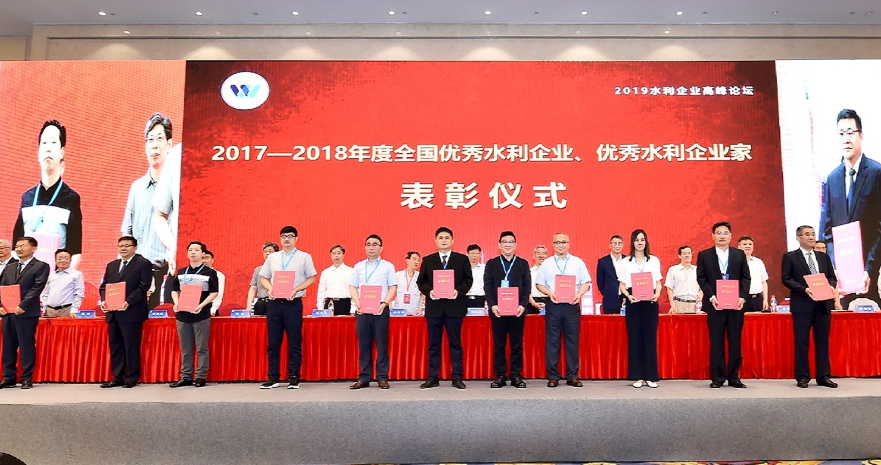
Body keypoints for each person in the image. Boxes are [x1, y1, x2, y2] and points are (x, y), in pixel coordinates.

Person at [819, 109, 881, 301]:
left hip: (869, 275)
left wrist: (870, 268)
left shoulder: (876, 173)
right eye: (841, 134)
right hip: (841, 278)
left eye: (851, 133)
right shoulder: (832, 178)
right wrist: (834, 266)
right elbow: (826, 231)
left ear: (861, 135)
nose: (846, 139)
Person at [13, 121, 83, 270]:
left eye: (53, 143)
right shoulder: (27, 198)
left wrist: (61, 280)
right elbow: (15, 247)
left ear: (62, 152)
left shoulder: (71, 199)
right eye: (44, 143)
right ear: (38, 153)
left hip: (56, 278)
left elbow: (76, 252)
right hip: (27, 279)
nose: (48, 148)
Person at [122, 113, 173, 310]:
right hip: (139, 274)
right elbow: (127, 232)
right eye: (150, 140)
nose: (154, 145)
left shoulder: (178, 187)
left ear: (169, 144)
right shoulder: (136, 188)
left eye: (159, 139)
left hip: (169, 273)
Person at [258, 226, 317, 389]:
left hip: (293, 304)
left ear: (296, 239)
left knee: (294, 341)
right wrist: (270, 289)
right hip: (274, 304)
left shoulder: (304, 257)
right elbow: (263, 277)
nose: (286, 239)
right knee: (273, 342)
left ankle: (294, 377)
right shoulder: (273, 257)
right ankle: (273, 377)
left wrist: (296, 290)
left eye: (290, 236)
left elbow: (311, 278)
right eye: (283, 236)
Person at [416, 227, 473, 389]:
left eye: (447, 237)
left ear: (452, 241)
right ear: (436, 241)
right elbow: (421, 282)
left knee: (455, 344)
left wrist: (458, 291)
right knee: (434, 344)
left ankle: (457, 377)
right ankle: (433, 377)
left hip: (454, 308)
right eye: (440, 238)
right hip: (434, 308)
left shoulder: (462, 259)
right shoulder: (428, 260)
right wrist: (429, 291)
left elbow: (468, 280)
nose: (444, 240)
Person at [782, 226, 839, 388]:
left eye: (813, 234)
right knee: (802, 342)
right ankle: (802, 376)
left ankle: (823, 376)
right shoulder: (790, 257)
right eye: (807, 234)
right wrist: (804, 289)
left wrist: (830, 286)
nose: (811, 237)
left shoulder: (823, 257)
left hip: (823, 305)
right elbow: (786, 279)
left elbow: (832, 277)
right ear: (798, 237)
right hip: (802, 305)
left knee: (822, 342)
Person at [696, 221, 751, 389]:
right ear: (713, 236)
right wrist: (711, 296)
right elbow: (701, 278)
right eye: (718, 233)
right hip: (715, 305)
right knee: (716, 342)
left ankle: (734, 377)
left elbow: (746, 277)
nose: (722, 236)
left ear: (730, 236)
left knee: (735, 341)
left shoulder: (739, 254)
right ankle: (717, 378)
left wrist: (742, 297)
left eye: (725, 233)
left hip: (735, 305)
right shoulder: (704, 255)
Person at [536, 232, 591, 388]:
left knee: (572, 341)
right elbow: (539, 284)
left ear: (568, 244)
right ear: (553, 245)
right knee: (552, 342)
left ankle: (572, 376)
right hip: (553, 305)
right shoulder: (547, 263)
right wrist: (549, 293)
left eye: (564, 242)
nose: (561, 245)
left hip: (572, 306)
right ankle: (553, 376)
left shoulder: (577, 262)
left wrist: (579, 295)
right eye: (558, 242)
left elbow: (586, 282)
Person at [98, 236, 152, 388]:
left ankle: (131, 377)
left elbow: (144, 286)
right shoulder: (112, 265)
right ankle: (117, 376)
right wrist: (104, 300)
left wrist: (129, 301)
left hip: (132, 312)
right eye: (121, 245)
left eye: (127, 245)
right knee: (115, 345)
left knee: (131, 345)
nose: (123, 248)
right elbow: (104, 286)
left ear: (135, 247)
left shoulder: (143, 263)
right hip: (113, 312)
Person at [483, 231, 531, 388]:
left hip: (517, 311)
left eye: (511, 242)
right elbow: (488, 286)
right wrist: (493, 305)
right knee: (499, 345)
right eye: (505, 241)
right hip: (498, 311)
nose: (508, 244)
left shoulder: (522, 263)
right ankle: (501, 375)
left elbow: (527, 286)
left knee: (517, 344)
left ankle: (516, 375)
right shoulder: (492, 264)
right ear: (499, 244)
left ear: (515, 245)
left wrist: (523, 305)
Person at [348, 235, 397, 389]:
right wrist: (358, 303)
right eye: (368, 244)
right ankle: (364, 377)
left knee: (382, 344)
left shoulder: (388, 266)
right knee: (364, 345)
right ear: (365, 247)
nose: (371, 247)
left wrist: (385, 303)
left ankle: (382, 377)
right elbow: (353, 287)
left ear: (381, 248)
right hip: (362, 310)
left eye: (375, 244)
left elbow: (393, 287)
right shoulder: (358, 266)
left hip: (380, 310)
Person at [0, 237, 50, 389]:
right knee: (8, 345)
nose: (19, 248)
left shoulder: (41, 266)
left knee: (26, 345)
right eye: (17, 246)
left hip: (26, 313)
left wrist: (23, 305)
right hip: (8, 312)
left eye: (23, 245)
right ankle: (8, 377)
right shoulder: (10, 266)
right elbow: (2, 287)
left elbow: (37, 287)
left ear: (33, 249)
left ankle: (27, 377)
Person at [617, 230, 663, 388]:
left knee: (650, 339)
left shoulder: (653, 260)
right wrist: (628, 296)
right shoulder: (625, 262)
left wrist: (657, 294)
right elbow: (622, 284)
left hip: (650, 302)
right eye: (637, 240)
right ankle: (637, 377)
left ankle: (650, 376)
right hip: (633, 302)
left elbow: (658, 282)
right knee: (635, 339)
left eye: (642, 239)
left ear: (646, 242)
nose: (640, 242)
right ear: (632, 242)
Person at [169, 241, 218, 388]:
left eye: (196, 250)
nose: (193, 252)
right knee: (186, 348)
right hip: (182, 315)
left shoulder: (209, 272)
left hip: (201, 315)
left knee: (202, 347)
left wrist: (201, 305)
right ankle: (185, 377)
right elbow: (174, 290)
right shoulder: (181, 272)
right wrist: (176, 303)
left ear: (203, 254)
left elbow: (214, 292)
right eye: (190, 249)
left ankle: (201, 376)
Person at [40, 248, 85, 317]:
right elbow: (46, 293)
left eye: (66, 258)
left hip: (66, 310)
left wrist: (74, 310)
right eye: (60, 258)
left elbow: (79, 293)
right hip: (49, 310)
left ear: (70, 260)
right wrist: (44, 308)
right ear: (55, 261)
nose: (63, 261)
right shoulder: (51, 275)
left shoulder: (77, 274)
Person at [315, 245, 354, 315]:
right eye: (334, 253)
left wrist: (353, 309)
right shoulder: (325, 272)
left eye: (339, 253)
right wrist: (320, 308)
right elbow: (321, 291)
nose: (336, 255)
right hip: (329, 303)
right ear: (331, 256)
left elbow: (354, 291)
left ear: (343, 255)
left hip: (345, 304)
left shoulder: (351, 271)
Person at [664, 246, 702, 314]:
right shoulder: (673, 270)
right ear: (679, 256)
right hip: (679, 304)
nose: (687, 255)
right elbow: (669, 288)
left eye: (689, 253)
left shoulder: (698, 270)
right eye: (684, 253)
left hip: (695, 305)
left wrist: (699, 301)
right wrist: (672, 305)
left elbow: (702, 287)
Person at [737, 236, 770, 312]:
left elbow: (764, 282)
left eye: (750, 244)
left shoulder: (758, 262)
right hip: (740, 300)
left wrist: (765, 299)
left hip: (757, 299)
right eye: (744, 244)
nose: (748, 246)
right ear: (739, 246)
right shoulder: (734, 263)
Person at [247, 242, 279, 316]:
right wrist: (248, 305)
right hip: (261, 303)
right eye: (265, 251)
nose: (267, 253)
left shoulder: (281, 269)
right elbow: (253, 288)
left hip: (276, 303)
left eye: (270, 251)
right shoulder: (258, 270)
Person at [596, 235, 625, 314]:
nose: (617, 246)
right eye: (615, 243)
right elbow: (600, 282)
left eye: (619, 243)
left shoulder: (628, 260)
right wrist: (608, 293)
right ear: (610, 245)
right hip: (610, 300)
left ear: (622, 245)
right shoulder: (603, 262)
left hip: (626, 300)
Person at [813, 241, 844, 310]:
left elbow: (834, 283)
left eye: (823, 248)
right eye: (818, 248)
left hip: (827, 299)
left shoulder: (828, 263)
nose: (821, 250)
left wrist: (837, 302)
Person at [393, 251, 423, 316]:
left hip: (415, 312)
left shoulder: (421, 277)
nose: (416, 262)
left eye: (418, 260)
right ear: (407, 261)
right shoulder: (398, 275)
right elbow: (391, 292)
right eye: (414, 259)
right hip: (398, 312)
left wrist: (421, 308)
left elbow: (423, 295)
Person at [527, 245, 549, 314]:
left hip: (549, 303)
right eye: (538, 253)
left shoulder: (552, 272)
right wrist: (533, 303)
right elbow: (526, 290)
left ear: (547, 256)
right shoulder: (529, 272)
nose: (541, 256)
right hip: (532, 303)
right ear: (534, 256)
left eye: (543, 253)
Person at [202, 250, 224, 314]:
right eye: (202, 258)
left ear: (212, 260)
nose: (204, 261)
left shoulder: (218, 275)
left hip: (210, 308)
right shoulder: (193, 274)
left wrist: (213, 309)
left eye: (207, 258)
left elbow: (219, 294)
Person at [465, 244, 486, 309]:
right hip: (465, 299)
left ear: (480, 255)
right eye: (472, 253)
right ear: (467, 254)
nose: (474, 255)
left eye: (476, 253)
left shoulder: (485, 268)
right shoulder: (463, 268)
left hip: (480, 299)